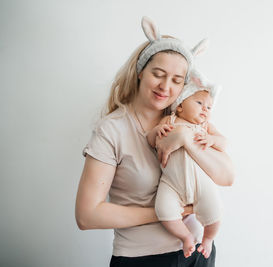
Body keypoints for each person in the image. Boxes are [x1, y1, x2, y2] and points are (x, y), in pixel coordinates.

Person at [75, 16, 234, 267]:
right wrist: (169, 214)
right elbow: (87, 216)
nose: (165, 87)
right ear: (140, 72)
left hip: (196, 256)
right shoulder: (112, 130)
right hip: (142, 259)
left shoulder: (189, 118)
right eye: (158, 74)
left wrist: (184, 138)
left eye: (176, 80)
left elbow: (227, 177)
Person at [147, 69, 225, 259]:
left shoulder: (205, 128)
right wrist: (158, 130)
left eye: (209, 107)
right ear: (180, 105)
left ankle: (207, 238)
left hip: (201, 182)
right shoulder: (170, 120)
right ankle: (186, 236)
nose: (205, 110)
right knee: (163, 211)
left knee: (216, 215)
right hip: (172, 183)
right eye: (199, 103)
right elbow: (150, 140)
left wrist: (212, 139)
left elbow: (224, 143)